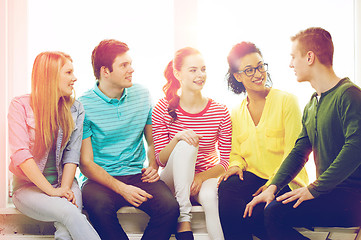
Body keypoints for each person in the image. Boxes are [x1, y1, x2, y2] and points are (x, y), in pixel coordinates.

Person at [244, 27, 361, 240]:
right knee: (265, 209)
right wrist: (273, 186)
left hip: (352, 198)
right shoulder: (312, 104)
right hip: (329, 193)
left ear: (309, 57)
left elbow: (355, 148)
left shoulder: (349, 95)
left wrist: (314, 189)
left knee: (275, 213)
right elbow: (299, 152)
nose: (290, 64)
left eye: (293, 57)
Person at [78, 39, 179, 240]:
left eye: (130, 63)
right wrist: (123, 189)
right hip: (100, 180)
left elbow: (152, 143)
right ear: (105, 71)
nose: (131, 69)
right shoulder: (83, 105)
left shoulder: (142, 95)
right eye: (124, 65)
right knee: (98, 208)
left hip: (137, 174)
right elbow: (86, 164)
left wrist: (152, 164)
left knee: (170, 208)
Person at [217, 42, 309, 240]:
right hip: (255, 178)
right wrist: (235, 165)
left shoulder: (287, 101)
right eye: (249, 70)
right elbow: (237, 153)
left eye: (260, 66)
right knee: (227, 187)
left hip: (286, 180)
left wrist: (271, 184)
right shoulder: (237, 112)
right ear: (238, 76)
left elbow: (294, 152)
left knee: (255, 213)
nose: (258, 74)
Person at [8, 51, 101, 240]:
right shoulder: (19, 106)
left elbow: (72, 155)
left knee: (66, 231)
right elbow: (21, 155)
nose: (74, 78)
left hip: (64, 183)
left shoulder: (76, 109)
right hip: (27, 189)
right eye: (68, 73)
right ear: (50, 75)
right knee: (69, 213)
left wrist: (64, 190)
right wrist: (52, 191)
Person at [152, 47, 232, 240]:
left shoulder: (220, 111)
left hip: (204, 178)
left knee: (210, 199)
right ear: (178, 74)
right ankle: (183, 218)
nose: (200, 75)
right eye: (193, 70)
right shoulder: (162, 108)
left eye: (203, 69)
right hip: (172, 180)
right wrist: (178, 138)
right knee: (188, 141)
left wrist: (201, 177)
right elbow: (161, 160)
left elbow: (225, 163)